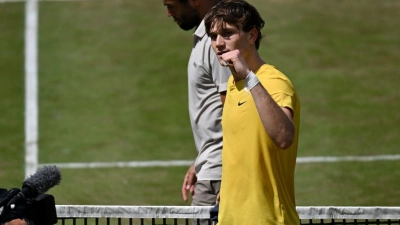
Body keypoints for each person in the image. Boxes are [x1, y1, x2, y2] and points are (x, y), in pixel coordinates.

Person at [204, 0, 301, 224]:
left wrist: (249, 77)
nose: (218, 43)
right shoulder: (232, 84)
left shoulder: (274, 81)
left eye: (227, 33)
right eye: (213, 36)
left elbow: (284, 137)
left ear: (252, 35)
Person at [161, 0, 231, 222]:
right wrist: (201, 159)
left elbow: (236, 111)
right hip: (212, 168)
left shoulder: (219, 40)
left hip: (219, 177)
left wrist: (230, 177)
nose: (168, 13)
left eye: (171, 4)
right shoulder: (206, 35)